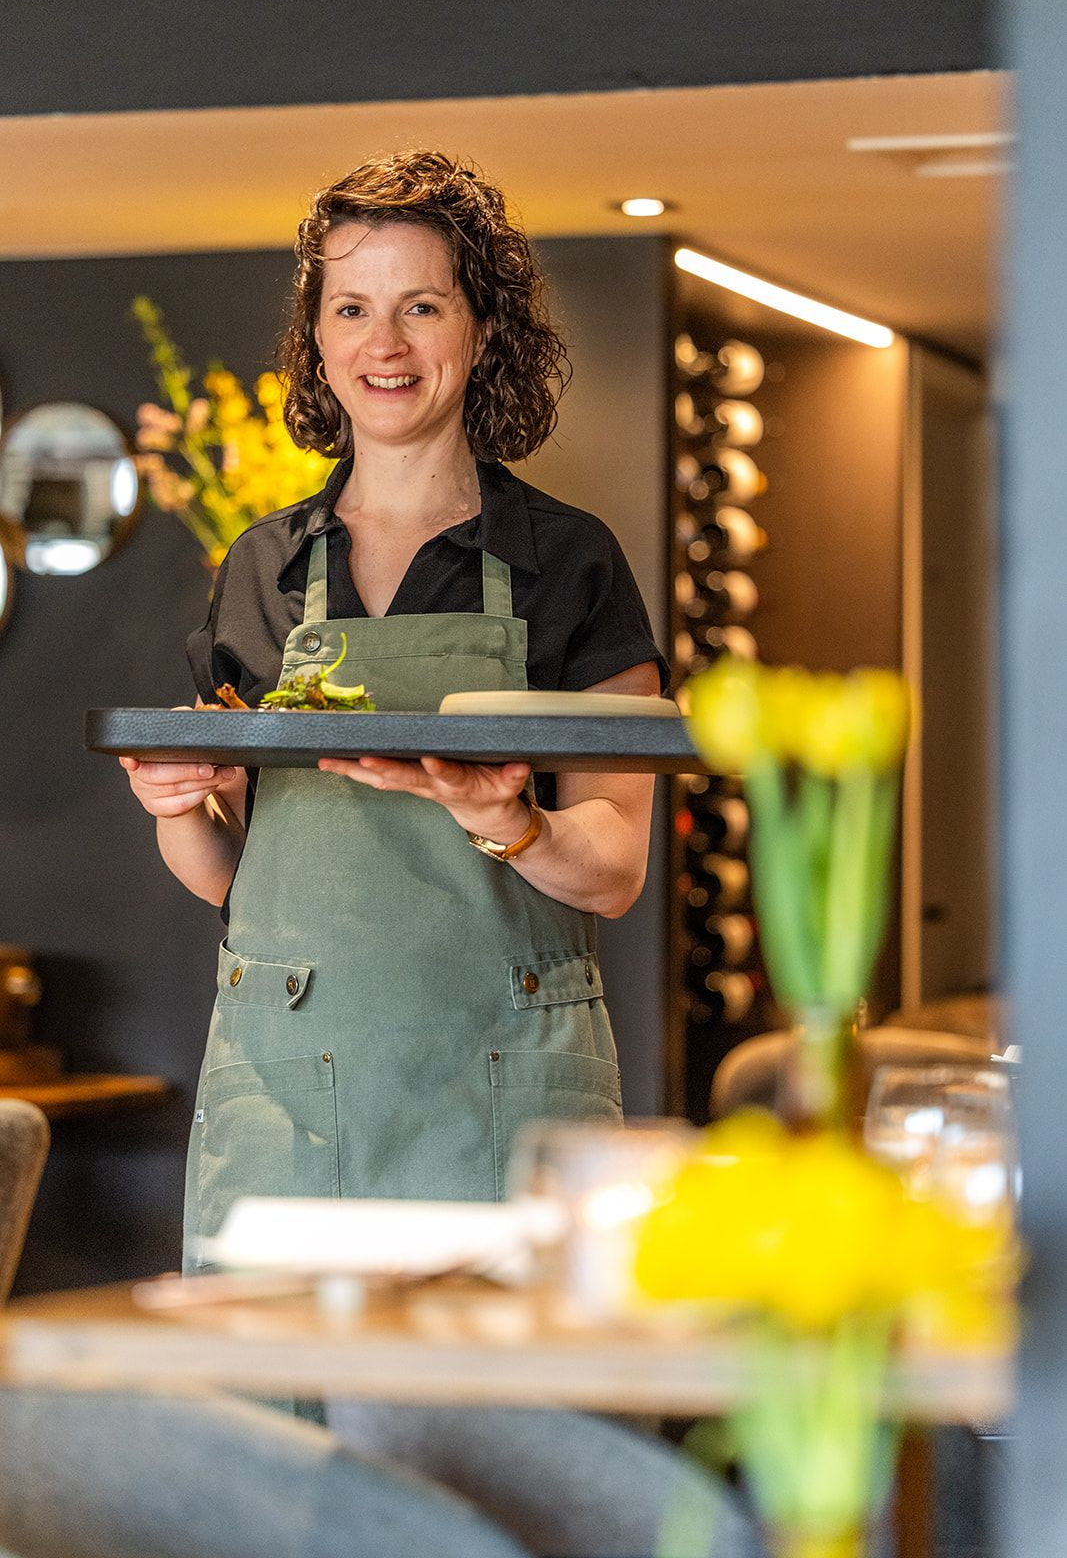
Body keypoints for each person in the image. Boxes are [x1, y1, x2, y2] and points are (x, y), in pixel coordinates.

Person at [120, 151, 668, 1267]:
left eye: (422, 306)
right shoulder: (260, 568)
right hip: (284, 1091)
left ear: (479, 331)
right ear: (317, 339)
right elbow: (238, 878)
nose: (386, 344)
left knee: (503, 1432)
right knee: (280, 1430)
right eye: (353, 308)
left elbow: (611, 866)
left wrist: (503, 819)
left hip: (501, 1081)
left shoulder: (570, 562)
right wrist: (178, 802)